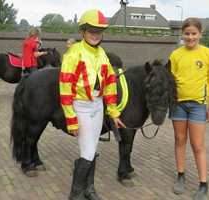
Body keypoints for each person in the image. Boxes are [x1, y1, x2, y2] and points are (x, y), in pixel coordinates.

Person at [59, 9, 126, 200]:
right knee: (87, 151)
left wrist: (113, 112)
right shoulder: (74, 53)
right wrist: (71, 119)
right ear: (83, 32)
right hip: (81, 106)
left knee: (93, 149)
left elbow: (111, 84)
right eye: (91, 31)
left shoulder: (102, 53)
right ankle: (75, 194)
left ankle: (89, 189)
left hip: (98, 106)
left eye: (98, 31)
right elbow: (65, 88)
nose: (95, 34)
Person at [169, 18, 209, 200]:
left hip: (198, 105)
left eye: (194, 33)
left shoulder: (208, 54)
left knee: (197, 145)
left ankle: (203, 184)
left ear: (200, 34)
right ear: (183, 34)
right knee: (180, 139)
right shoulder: (175, 55)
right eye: (187, 33)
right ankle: (180, 175)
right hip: (178, 104)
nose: (190, 37)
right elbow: (170, 80)